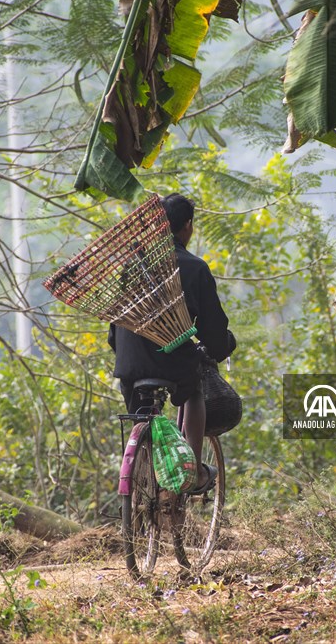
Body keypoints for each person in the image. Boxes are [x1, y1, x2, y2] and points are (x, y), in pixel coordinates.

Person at [108, 193, 236, 494]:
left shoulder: (133, 266)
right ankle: (189, 474)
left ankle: (144, 468)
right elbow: (213, 331)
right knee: (193, 391)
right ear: (187, 225)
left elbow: (115, 325)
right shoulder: (193, 267)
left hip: (128, 362)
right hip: (170, 360)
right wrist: (223, 347)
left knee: (140, 413)